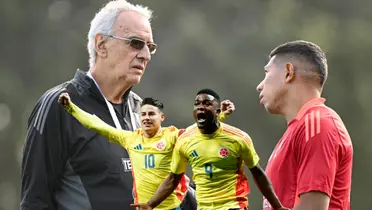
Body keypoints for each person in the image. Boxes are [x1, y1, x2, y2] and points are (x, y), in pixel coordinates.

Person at [21, 1, 162, 209]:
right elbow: (35, 201)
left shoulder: (142, 112)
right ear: (101, 45)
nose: (146, 55)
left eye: (150, 47)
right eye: (135, 43)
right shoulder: (60, 104)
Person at [57, 93, 235, 210]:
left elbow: (198, 129)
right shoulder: (130, 138)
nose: (147, 118)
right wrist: (71, 108)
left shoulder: (172, 136)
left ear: (161, 117)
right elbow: (97, 125)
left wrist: (222, 116)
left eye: (151, 114)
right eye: (143, 115)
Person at [132, 89, 289, 210]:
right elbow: (173, 178)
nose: (200, 107)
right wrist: (151, 204)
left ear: (218, 111)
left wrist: (277, 206)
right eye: (197, 104)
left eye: (206, 104)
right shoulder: (186, 140)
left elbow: (258, 174)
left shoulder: (238, 138)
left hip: (233, 205)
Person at [256, 40, 353, 210]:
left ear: (288, 72)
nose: (259, 86)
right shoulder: (298, 128)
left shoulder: (317, 124)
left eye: (266, 73)